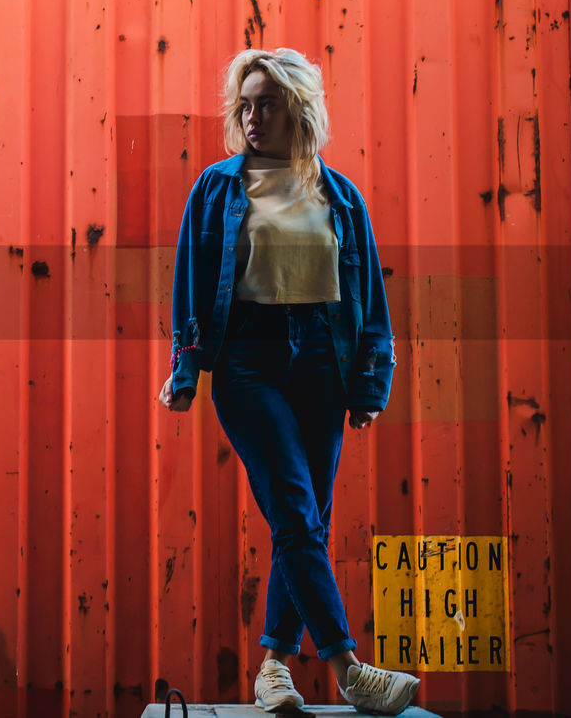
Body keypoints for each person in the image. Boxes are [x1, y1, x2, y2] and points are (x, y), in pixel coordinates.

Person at [157, 48, 420, 714]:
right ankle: (349, 668)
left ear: (298, 108)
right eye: (243, 105)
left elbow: (368, 299)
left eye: (266, 103)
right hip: (249, 363)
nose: (251, 117)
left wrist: (368, 384)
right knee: (299, 515)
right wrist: (186, 369)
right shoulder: (218, 188)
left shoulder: (341, 196)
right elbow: (190, 284)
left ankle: (274, 665)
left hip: (321, 367)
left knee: (304, 524)